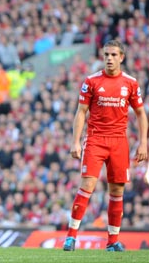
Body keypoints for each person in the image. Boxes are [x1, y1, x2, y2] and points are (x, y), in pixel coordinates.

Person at [63, 40, 148, 252]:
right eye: (106, 55)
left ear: (122, 57)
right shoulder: (91, 81)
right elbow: (81, 111)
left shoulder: (130, 83)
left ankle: (112, 241)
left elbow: (140, 114)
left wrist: (143, 143)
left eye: (113, 55)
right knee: (87, 186)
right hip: (95, 140)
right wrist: (75, 141)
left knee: (117, 191)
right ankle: (71, 236)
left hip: (119, 142)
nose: (109, 58)